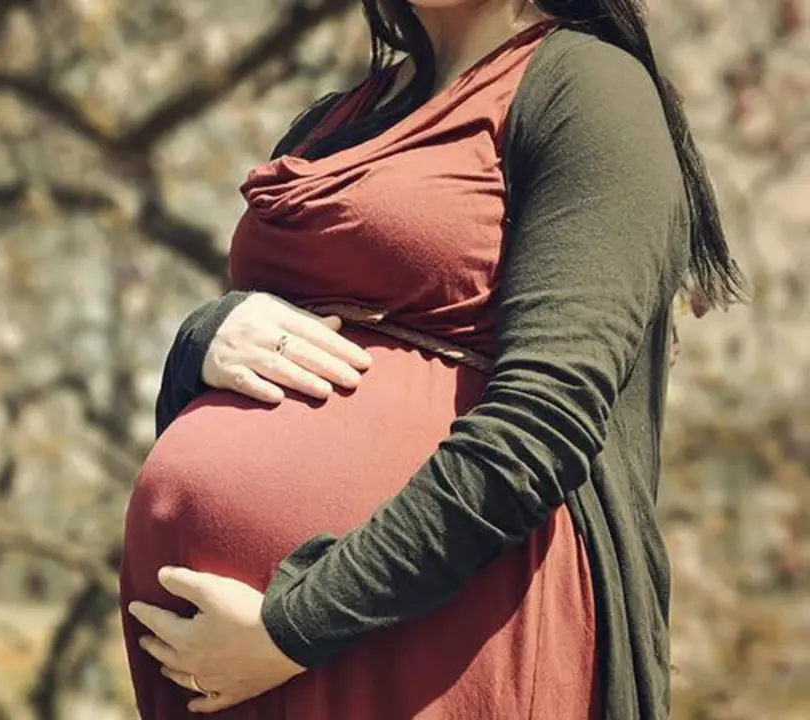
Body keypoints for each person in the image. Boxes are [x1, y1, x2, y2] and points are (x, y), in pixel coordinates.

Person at [119, 1, 745, 719]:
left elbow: (545, 421)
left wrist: (294, 628)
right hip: (236, 657)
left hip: (425, 634)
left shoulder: (588, 88)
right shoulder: (338, 119)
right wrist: (204, 338)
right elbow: (267, 345)